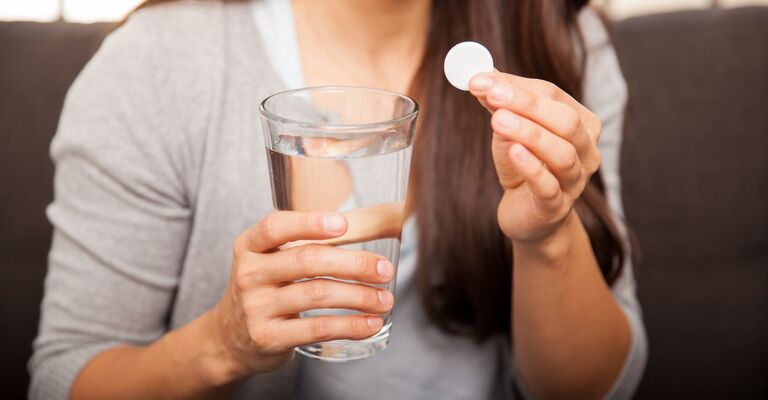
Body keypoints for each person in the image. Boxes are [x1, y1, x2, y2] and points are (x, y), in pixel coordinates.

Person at [29, 0, 647, 399]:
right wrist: (221, 344)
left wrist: (547, 236)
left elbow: (594, 389)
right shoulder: (160, 61)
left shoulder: (552, 34)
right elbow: (66, 380)